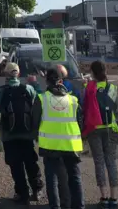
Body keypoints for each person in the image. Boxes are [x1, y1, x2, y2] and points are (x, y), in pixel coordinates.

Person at [35, 68, 84, 209]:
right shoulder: (73, 100)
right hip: (71, 144)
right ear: (61, 81)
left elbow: (35, 122)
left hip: (50, 144)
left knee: (52, 179)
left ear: (47, 81)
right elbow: (80, 121)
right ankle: (79, 206)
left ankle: (55, 206)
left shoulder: (42, 99)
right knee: (75, 177)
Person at [0, 62, 43, 205]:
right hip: (27, 134)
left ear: (6, 74)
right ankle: (37, 189)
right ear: (18, 73)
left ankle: (22, 193)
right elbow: (37, 104)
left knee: (16, 165)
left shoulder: (1, 92)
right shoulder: (28, 89)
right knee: (30, 162)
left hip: (9, 135)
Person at [83, 61, 118, 208]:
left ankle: (103, 197)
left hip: (94, 128)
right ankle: (114, 198)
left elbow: (84, 106)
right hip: (110, 127)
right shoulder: (113, 88)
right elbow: (114, 106)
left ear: (92, 72)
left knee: (99, 161)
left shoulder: (89, 88)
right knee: (111, 161)